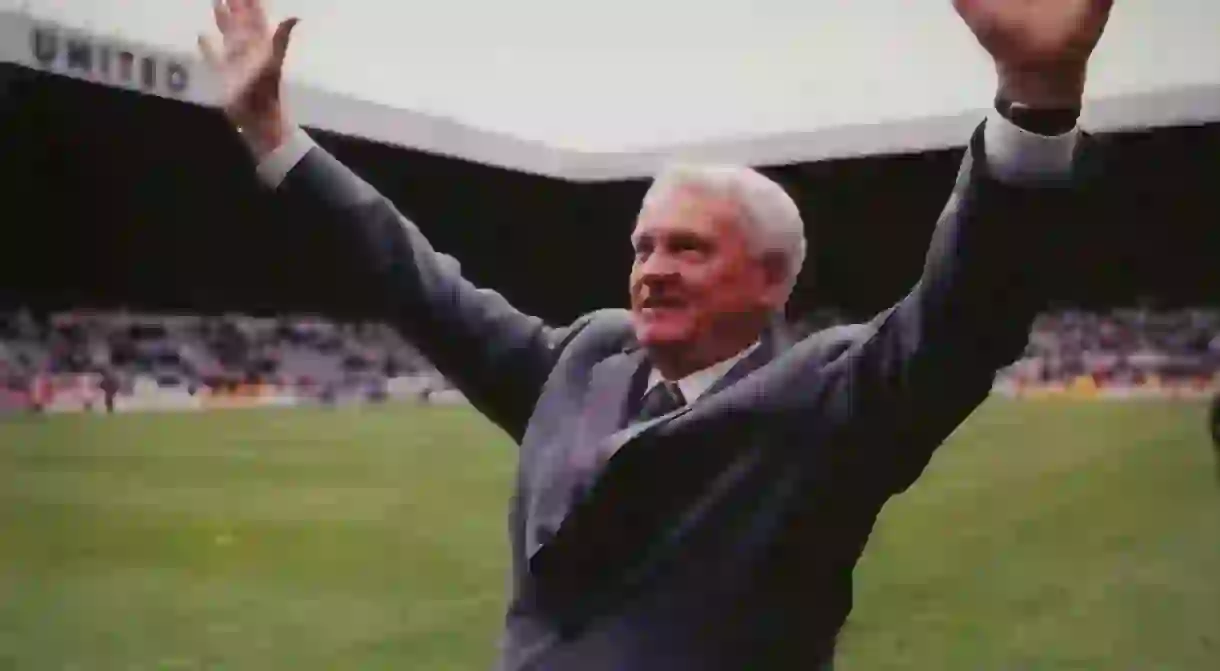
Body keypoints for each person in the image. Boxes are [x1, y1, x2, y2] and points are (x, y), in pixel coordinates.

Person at [198, 1, 1114, 668]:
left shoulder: (829, 405)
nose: (652, 267)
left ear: (771, 278)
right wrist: (276, 136)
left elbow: (970, 312)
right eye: (642, 245)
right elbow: (415, 281)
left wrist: (1035, 96)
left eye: (688, 247)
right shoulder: (579, 362)